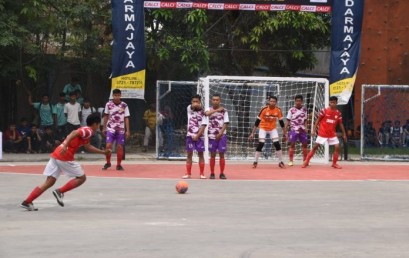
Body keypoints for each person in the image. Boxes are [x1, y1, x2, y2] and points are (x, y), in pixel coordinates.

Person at [20, 113, 111, 211]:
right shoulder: (88, 130)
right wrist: (65, 145)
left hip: (57, 153)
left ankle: (27, 201)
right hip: (65, 155)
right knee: (81, 178)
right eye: (98, 124)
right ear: (95, 124)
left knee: (49, 182)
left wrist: (103, 152)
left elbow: (88, 146)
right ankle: (60, 192)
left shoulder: (86, 133)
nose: (99, 127)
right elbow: (74, 133)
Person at [302, 96, 347, 169]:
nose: (332, 104)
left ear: (336, 103)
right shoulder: (324, 111)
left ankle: (334, 163)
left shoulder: (338, 113)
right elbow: (318, 120)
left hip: (332, 134)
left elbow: (341, 124)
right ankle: (306, 161)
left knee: (337, 147)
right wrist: (313, 130)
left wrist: (344, 134)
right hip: (322, 133)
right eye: (331, 102)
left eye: (334, 103)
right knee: (315, 147)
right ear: (329, 102)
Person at [249, 96, 287, 169]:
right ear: (269, 102)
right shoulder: (264, 109)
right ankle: (255, 162)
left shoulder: (278, 110)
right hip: (263, 128)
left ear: (276, 102)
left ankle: (280, 162)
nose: (272, 103)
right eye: (271, 101)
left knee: (277, 144)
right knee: (261, 143)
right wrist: (252, 133)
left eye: (274, 101)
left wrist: (285, 133)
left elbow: (281, 123)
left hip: (272, 129)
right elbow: (257, 122)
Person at [102, 89, 130, 171]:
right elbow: (106, 116)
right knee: (108, 146)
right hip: (110, 128)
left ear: (120, 96)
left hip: (120, 129)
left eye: (118, 95)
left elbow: (126, 118)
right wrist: (104, 128)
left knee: (120, 147)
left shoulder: (124, 105)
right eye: (115, 95)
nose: (117, 97)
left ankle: (118, 164)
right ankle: (108, 162)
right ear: (113, 96)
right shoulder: (108, 104)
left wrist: (128, 130)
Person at [182, 94, 207, 179]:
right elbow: (193, 107)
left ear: (200, 102)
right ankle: (188, 173)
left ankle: (202, 173)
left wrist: (197, 136)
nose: (195, 103)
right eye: (193, 101)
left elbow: (204, 125)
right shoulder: (189, 109)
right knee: (189, 154)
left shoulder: (204, 112)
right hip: (189, 136)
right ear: (191, 102)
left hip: (200, 137)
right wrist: (193, 135)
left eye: (197, 102)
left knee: (201, 154)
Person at [205, 94, 229, 179]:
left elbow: (226, 123)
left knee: (221, 154)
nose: (215, 101)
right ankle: (212, 173)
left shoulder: (224, 110)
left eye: (217, 100)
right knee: (212, 154)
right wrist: (217, 110)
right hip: (212, 135)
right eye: (214, 100)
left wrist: (220, 133)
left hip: (222, 135)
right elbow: (207, 114)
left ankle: (222, 173)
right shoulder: (209, 109)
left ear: (220, 101)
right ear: (212, 101)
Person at [284, 95, 308, 166]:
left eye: (299, 101)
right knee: (292, 144)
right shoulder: (291, 110)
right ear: (295, 101)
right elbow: (288, 120)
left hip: (302, 129)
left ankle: (305, 160)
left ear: (302, 101)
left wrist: (306, 127)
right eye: (297, 101)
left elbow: (305, 120)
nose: (298, 102)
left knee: (305, 145)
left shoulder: (304, 110)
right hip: (294, 129)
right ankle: (291, 161)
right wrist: (285, 130)